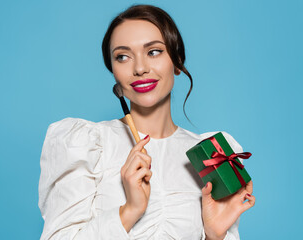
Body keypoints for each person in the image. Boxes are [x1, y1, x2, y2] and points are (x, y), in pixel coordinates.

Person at [38, 4, 255, 240]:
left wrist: (215, 235)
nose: (140, 68)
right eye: (123, 57)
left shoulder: (213, 154)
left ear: (178, 60)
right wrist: (129, 211)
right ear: (113, 70)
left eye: (153, 51)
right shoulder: (85, 144)